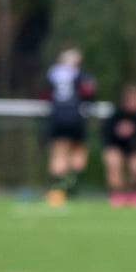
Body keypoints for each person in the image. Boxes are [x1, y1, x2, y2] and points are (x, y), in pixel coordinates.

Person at [45, 47, 95, 206]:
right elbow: (89, 91)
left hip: (57, 115)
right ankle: (71, 183)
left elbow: (44, 93)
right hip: (75, 116)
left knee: (58, 152)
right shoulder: (80, 73)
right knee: (78, 150)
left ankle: (57, 187)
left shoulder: (52, 73)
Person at [102, 83, 136, 207]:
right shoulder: (115, 115)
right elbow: (106, 135)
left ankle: (133, 192)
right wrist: (118, 132)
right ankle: (116, 194)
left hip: (135, 148)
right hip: (115, 145)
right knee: (113, 161)